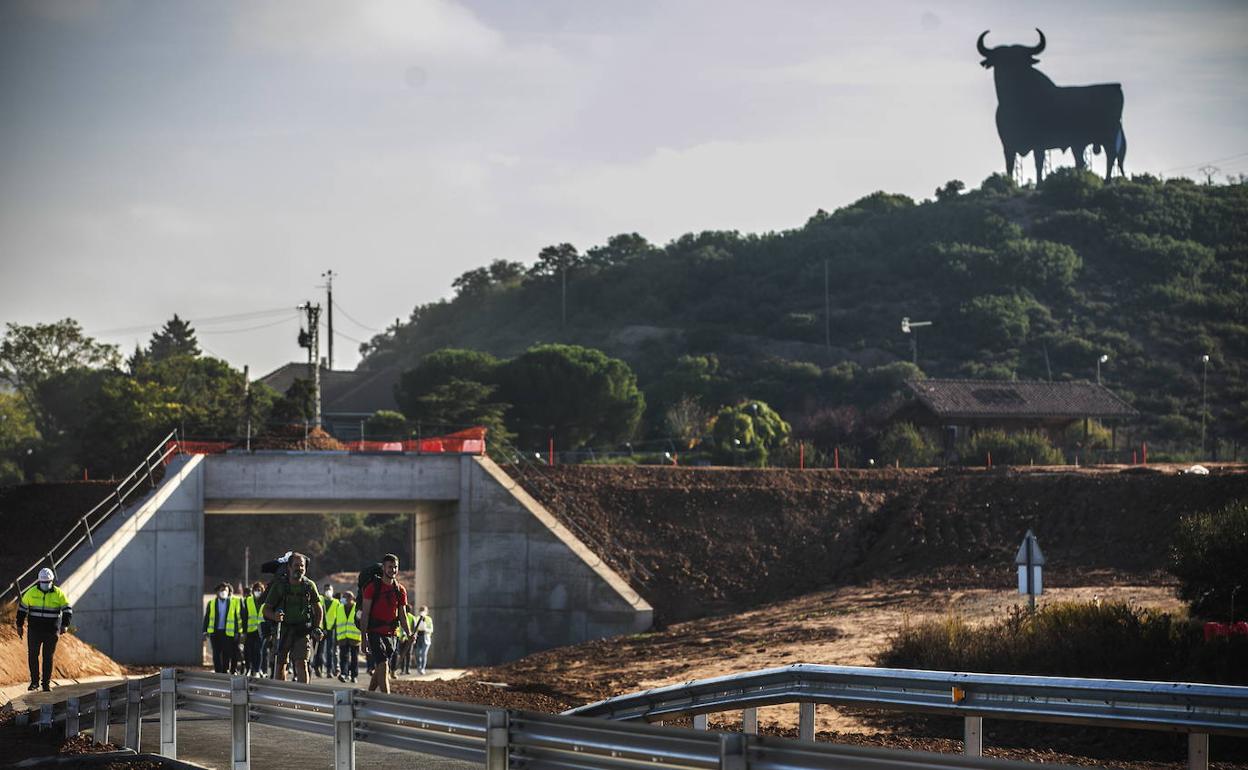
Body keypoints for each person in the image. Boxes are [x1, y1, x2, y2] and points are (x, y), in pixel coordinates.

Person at [261, 552, 323, 683]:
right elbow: (265, 610)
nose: (299, 568)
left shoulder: (309, 585)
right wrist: (275, 616)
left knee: (302, 664)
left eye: (302, 566)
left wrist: (317, 627)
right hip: (282, 630)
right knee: (280, 664)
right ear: (289, 567)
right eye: (296, 565)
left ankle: (303, 698)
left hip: (302, 631)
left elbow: (318, 609)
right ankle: (280, 696)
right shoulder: (280, 585)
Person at [360, 553, 411, 693]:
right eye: (390, 567)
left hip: (392, 635)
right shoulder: (372, 588)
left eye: (395, 567)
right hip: (375, 633)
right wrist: (363, 639)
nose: (393, 570)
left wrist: (409, 633)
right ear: (383, 568)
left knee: (381, 667)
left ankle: (368, 695)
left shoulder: (400, 590)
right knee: (383, 665)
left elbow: (402, 615)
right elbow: (365, 615)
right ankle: (387, 700)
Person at [16, 567, 73, 692]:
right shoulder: (31, 592)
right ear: (39, 581)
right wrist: (19, 626)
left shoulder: (59, 594)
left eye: (47, 582)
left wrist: (65, 625)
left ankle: (46, 684)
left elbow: (67, 610)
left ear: (51, 581)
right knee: (33, 655)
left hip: (51, 632)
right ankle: (35, 682)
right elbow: (21, 610)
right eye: (43, 582)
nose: (45, 584)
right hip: (34, 631)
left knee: (48, 657)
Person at [203, 582, 241, 674]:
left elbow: (237, 618)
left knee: (226, 652)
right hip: (215, 632)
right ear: (217, 592)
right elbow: (207, 617)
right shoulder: (211, 603)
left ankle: (225, 670)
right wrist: (204, 631)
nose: (223, 592)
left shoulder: (232, 603)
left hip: (227, 632)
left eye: (226, 590)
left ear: (229, 592)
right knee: (216, 653)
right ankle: (218, 671)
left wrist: (238, 631)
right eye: (221, 590)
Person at [333, 591, 362, 682]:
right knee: (343, 657)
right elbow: (337, 623)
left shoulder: (357, 608)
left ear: (352, 598)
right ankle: (344, 674)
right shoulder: (340, 608)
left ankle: (354, 676)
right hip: (343, 637)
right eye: (344, 596)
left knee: (354, 658)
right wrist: (336, 637)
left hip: (354, 637)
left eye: (347, 597)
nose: (345, 598)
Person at [313, 582, 337, 677]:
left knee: (330, 651)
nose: (328, 591)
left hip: (331, 629)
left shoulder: (336, 602)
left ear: (332, 591)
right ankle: (318, 667)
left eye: (329, 589)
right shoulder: (321, 599)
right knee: (320, 650)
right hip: (321, 629)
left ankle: (329, 671)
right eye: (326, 589)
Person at [242, 581, 266, 677]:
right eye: (256, 590)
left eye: (259, 590)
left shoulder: (266, 601)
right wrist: (243, 631)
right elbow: (244, 616)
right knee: (249, 650)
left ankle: (257, 669)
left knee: (258, 650)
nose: (257, 592)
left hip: (261, 630)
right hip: (250, 630)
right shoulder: (248, 600)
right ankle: (249, 668)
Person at [413, 605, 433, 676]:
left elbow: (431, 629)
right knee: (417, 654)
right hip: (418, 637)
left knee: (424, 654)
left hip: (426, 638)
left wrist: (425, 629)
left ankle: (422, 668)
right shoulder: (417, 618)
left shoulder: (429, 619)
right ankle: (419, 666)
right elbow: (414, 629)